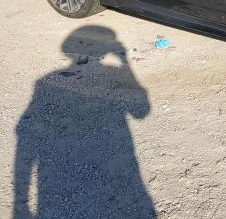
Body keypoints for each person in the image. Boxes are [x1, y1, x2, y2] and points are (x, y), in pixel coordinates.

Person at [13, 26, 156, 219]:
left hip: (57, 189)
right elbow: (141, 112)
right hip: (118, 178)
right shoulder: (46, 83)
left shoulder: (45, 81)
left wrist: (19, 202)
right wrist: (125, 62)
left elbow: (24, 137)